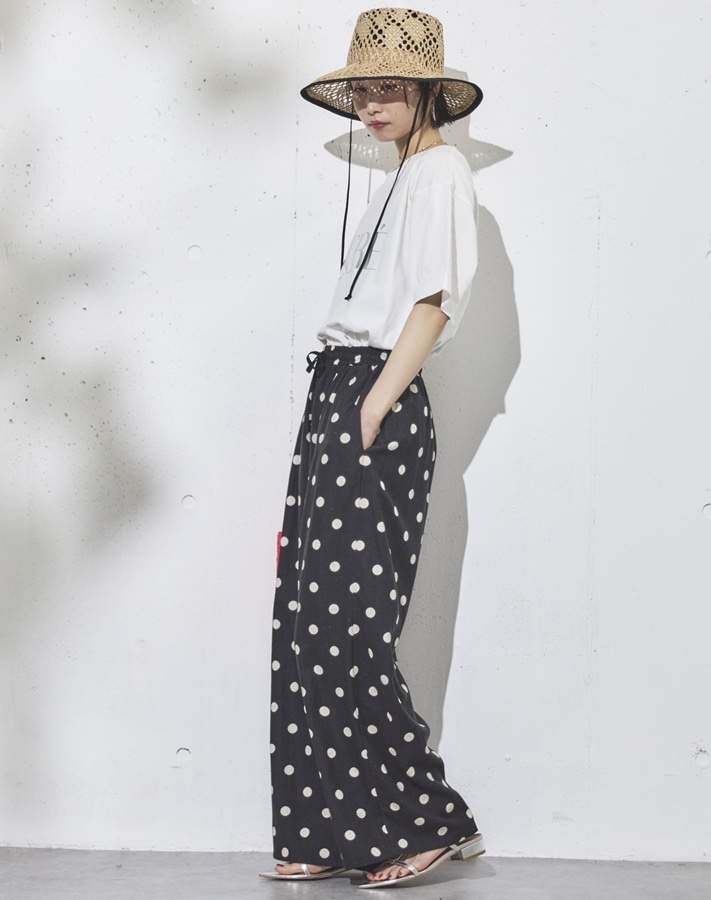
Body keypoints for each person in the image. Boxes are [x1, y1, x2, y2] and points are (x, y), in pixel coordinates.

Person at [262, 8, 485, 889]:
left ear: (428, 90)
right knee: (305, 621)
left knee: (346, 627)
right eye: (361, 89)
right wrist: (343, 406)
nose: (370, 104)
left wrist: (374, 405)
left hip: (371, 399)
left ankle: (423, 822)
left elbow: (432, 301)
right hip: (339, 393)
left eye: (388, 87)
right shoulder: (401, 176)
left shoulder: (440, 173)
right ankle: (326, 826)